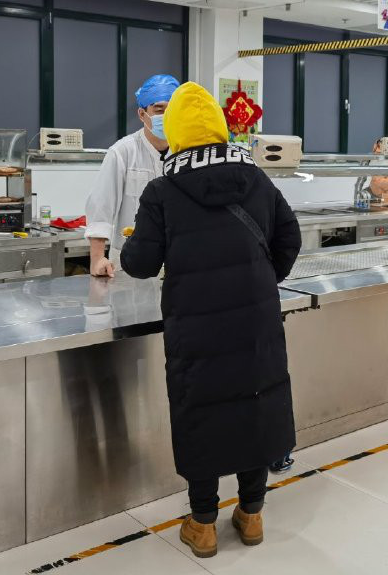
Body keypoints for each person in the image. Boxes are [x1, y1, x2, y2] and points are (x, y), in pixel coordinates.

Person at [120, 82, 302, 559]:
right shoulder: (256, 178)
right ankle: (252, 514)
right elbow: (290, 238)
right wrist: (262, 280)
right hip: (256, 320)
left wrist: (132, 243)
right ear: (220, 128)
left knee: (201, 411)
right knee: (255, 403)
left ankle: (202, 524)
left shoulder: (162, 190)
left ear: (177, 131)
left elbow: (139, 264)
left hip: (196, 324)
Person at [85, 74, 180, 277]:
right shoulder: (123, 152)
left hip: (175, 261)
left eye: (172, 110)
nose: (166, 117)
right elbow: (101, 206)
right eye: (159, 110)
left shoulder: (185, 152)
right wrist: (97, 258)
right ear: (142, 114)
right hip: (129, 261)